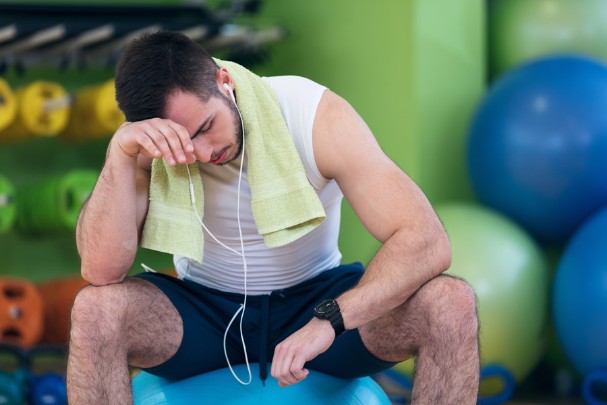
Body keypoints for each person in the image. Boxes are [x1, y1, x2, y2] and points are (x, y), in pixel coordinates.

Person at [67, 30, 480, 404]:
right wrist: (120, 157)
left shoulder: (313, 115)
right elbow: (100, 269)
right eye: (182, 142)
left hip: (315, 299)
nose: (201, 153)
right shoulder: (147, 145)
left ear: (223, 81)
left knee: (449, 302)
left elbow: (425, 239)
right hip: (204, 312)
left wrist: (330, 319)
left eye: (206, 126)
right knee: (95, 310)